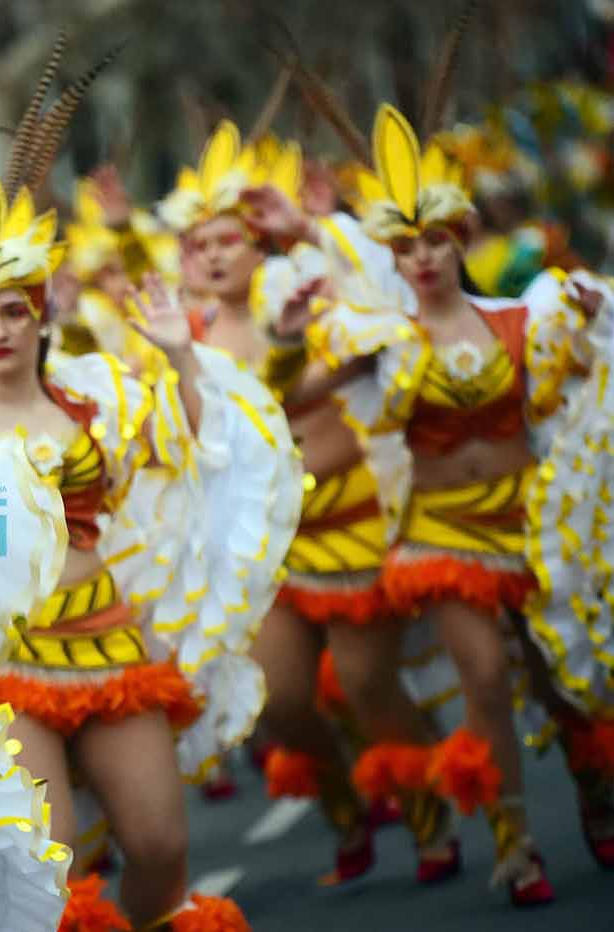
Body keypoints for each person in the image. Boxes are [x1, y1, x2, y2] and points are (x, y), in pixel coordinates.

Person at [0, 109, 302, 932]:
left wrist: (176, 355)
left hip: (105, 638)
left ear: (41, 316)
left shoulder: (99, 398)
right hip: (6, 655)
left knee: (162, 848)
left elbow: (195, 450)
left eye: (12, 314)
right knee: (51, 857)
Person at [289, 103, 614, 905]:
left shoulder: (522, 320)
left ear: (457, 238)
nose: (421, 258)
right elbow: (287, 402)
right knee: (480, 676)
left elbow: (586, 376)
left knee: (557, 680)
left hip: (529, 523)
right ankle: (515, 843)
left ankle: (596, 794)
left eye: (431, 240)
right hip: (438, 531)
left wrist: (596, 315)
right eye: (403, 248)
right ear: (392, 260)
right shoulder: (379, 340)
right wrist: (297, 342)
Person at [157, 120, 457, 883]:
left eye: (229, 238)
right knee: (280, 702)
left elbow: (382, 330)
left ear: (259, 243)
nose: (215, 253)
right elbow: (190, 438)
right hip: (262, 548)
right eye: (201, 244)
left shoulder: (311, 302)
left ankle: (428, 816)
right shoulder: (181, 341)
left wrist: (316, 233)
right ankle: (343, 803)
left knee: (364, 686)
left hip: (348, 523)